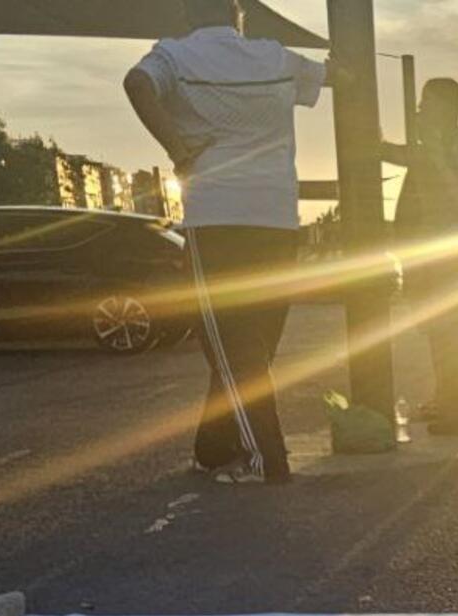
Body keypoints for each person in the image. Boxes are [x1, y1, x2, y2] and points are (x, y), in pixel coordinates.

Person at [123, 0, 326, 485]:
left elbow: (137, 83)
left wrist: (177, 148)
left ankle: (265, 462)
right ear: (240, 16)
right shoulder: (273, 56)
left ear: (186, 15)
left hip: (217, 216)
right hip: (277, 217)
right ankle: (214, 448)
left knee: (230, 346)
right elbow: (334, 77)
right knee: (255, 344)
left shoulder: (174, 55)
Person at [383, 77, 458, 435]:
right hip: (424, 255)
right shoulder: (428, 146)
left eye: (425, 104)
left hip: (449, 254)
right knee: (437, 331)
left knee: (454, 333)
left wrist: (438, 157)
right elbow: (394, 153)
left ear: (446, 108)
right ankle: (448, 400)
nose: (419, 111)